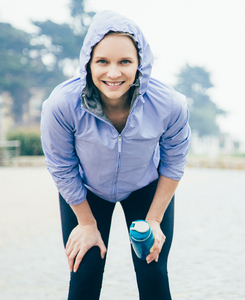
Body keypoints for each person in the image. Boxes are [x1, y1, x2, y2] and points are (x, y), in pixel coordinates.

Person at [40, 10, 190, 300]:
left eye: (125, 62)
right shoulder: (61, 105)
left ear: (140, 64)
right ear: (88, 63)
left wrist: (155, 221)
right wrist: (86, 223)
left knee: (153, 272)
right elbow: (61, 166)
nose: (113, 73)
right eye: (102, 62)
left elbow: (174, 161)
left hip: (144, 188)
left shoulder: (170, 104)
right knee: (84, 272)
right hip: (87, 191)